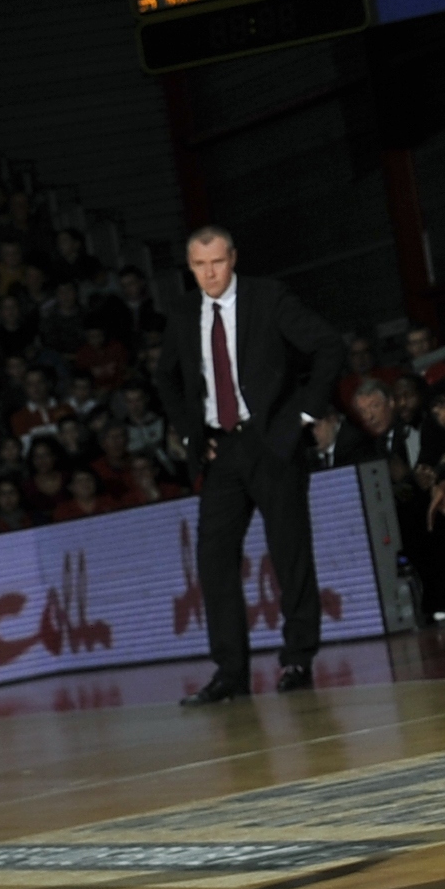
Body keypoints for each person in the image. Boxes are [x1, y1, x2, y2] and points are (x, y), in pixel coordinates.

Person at [153, 226, 344, 704]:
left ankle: (298, 657)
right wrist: (191, 435)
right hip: (221, 450)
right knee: (213, 561)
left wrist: (303, 413)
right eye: (199, 265)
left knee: (290, 553)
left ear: (232, 258)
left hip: (271, 442)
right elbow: (166, 378)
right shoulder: (182, 311)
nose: (209, 273)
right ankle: (230, 673)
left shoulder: (266, 297)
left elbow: (327, 344)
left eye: (216, 262)